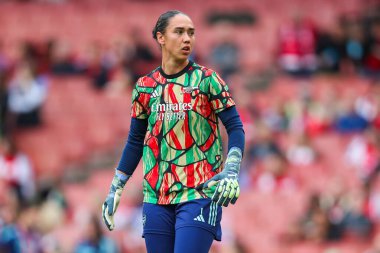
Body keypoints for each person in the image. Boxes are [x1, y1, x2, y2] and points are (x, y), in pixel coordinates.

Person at [102, 10, 245, 253]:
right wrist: (116, 186)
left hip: (199, 192)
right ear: (161, 38)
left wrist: (232, 170)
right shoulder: (145, 87)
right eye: (179, 32)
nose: (187, 38)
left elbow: (235, 127)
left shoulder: (208, 80)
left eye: (191, 33)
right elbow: (136, 141)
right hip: (156, 197)